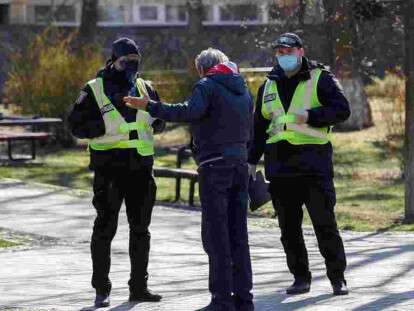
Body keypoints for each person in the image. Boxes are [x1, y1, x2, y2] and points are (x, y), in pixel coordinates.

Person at [124, 48, 254, 311]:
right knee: (238, 235)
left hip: (214, 166)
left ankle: (221, 301)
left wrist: (150, 106)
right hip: (239, 164)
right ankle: (244, 299)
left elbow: (188, 112)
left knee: (216, 236)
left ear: (202, 69)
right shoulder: (242, 89)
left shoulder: (207, 85)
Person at [248, 33, 351, 296]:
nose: (283, 56)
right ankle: (300, 278)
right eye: (279, 52)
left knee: (324, 223)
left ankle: (337, 278)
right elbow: (258, 128)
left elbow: (342, 110)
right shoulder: (267, 85)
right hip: (280, 168)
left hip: (313, 165)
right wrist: (250, 162)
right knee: (288, 229)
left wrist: (311, 116)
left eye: (288, 51)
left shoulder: (321, 78)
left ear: (300, 51)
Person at [68, 37, 165, 307]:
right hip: (109, 170)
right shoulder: (94, 88)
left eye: (135, 62)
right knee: (105, 229)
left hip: (142, 170)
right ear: (113, 61)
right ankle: (102, 289)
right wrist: (98, 129)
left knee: (141, 230)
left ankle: (139, 287)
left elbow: (159, 121)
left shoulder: (146, 87)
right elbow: (74, 124)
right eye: (126, 62)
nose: (131, 67)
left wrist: (156, 125)